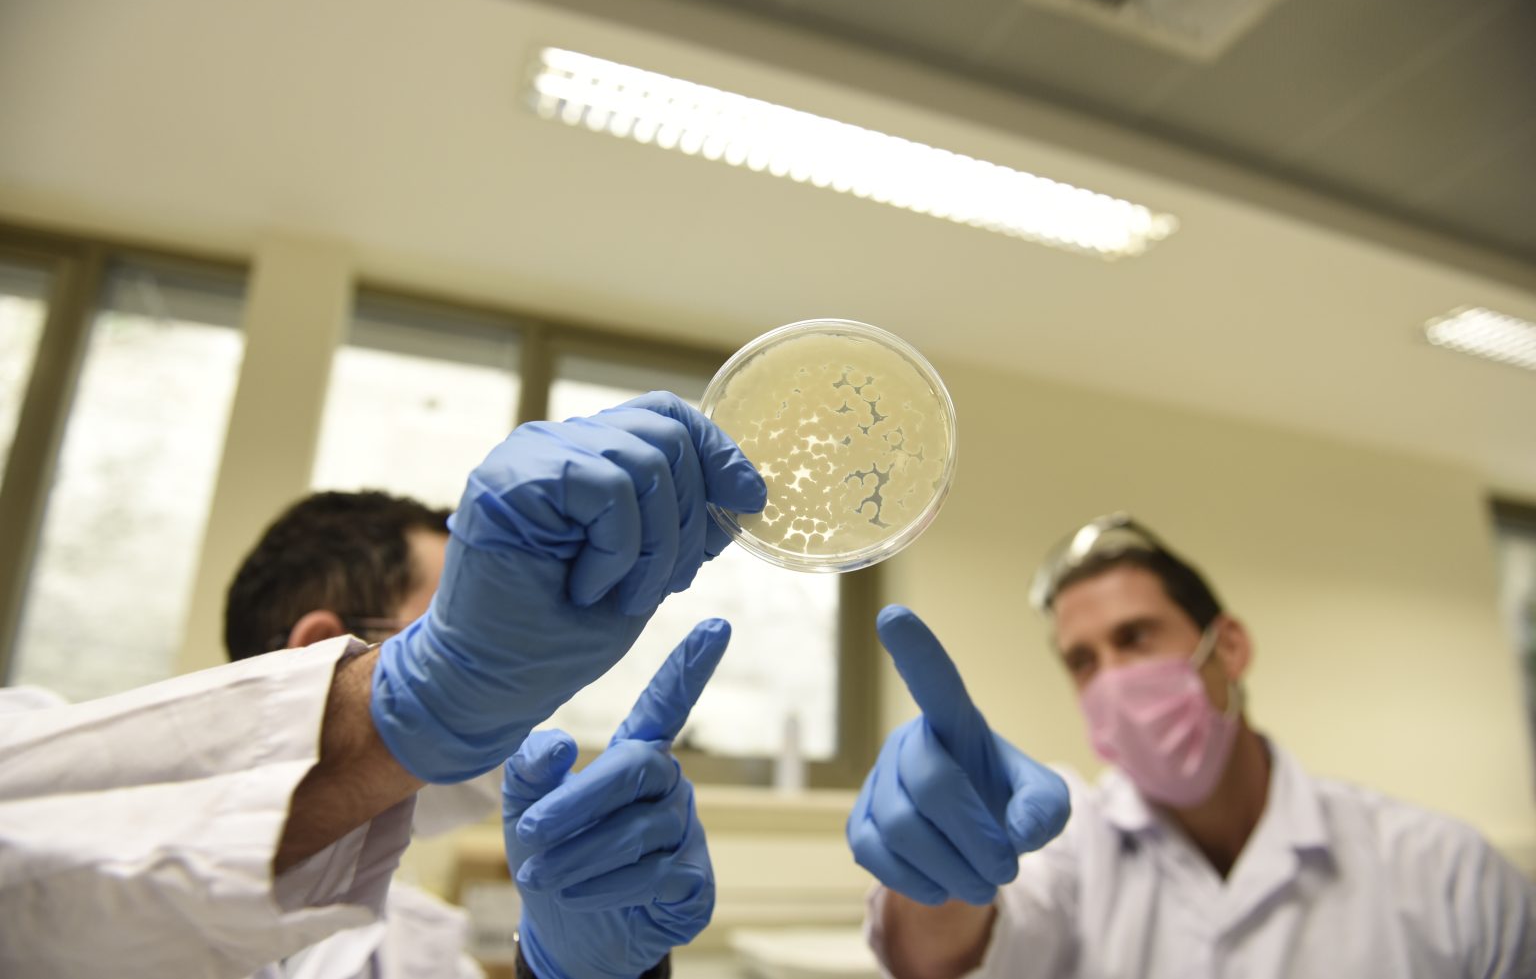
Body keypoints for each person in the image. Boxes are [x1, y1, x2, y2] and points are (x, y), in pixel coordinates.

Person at [0, 391, 766, 979]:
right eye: (461, 614)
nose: (532, 684)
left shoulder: (418, 948)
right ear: (321, 647)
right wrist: (399, 708)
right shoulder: (30, 767)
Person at [848, 512, 1536, 978]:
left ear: (1227, 647)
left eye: (1136, 637)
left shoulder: (1446, 872)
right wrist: (943, 872)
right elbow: (956, 952)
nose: (1112, 677)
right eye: (1083, 660)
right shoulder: (1071, 842)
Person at [222, 489, 726, 979]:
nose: (518, 690)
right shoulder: (151, 895)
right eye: (468, 639)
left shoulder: (417, 948)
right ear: (325, 652)